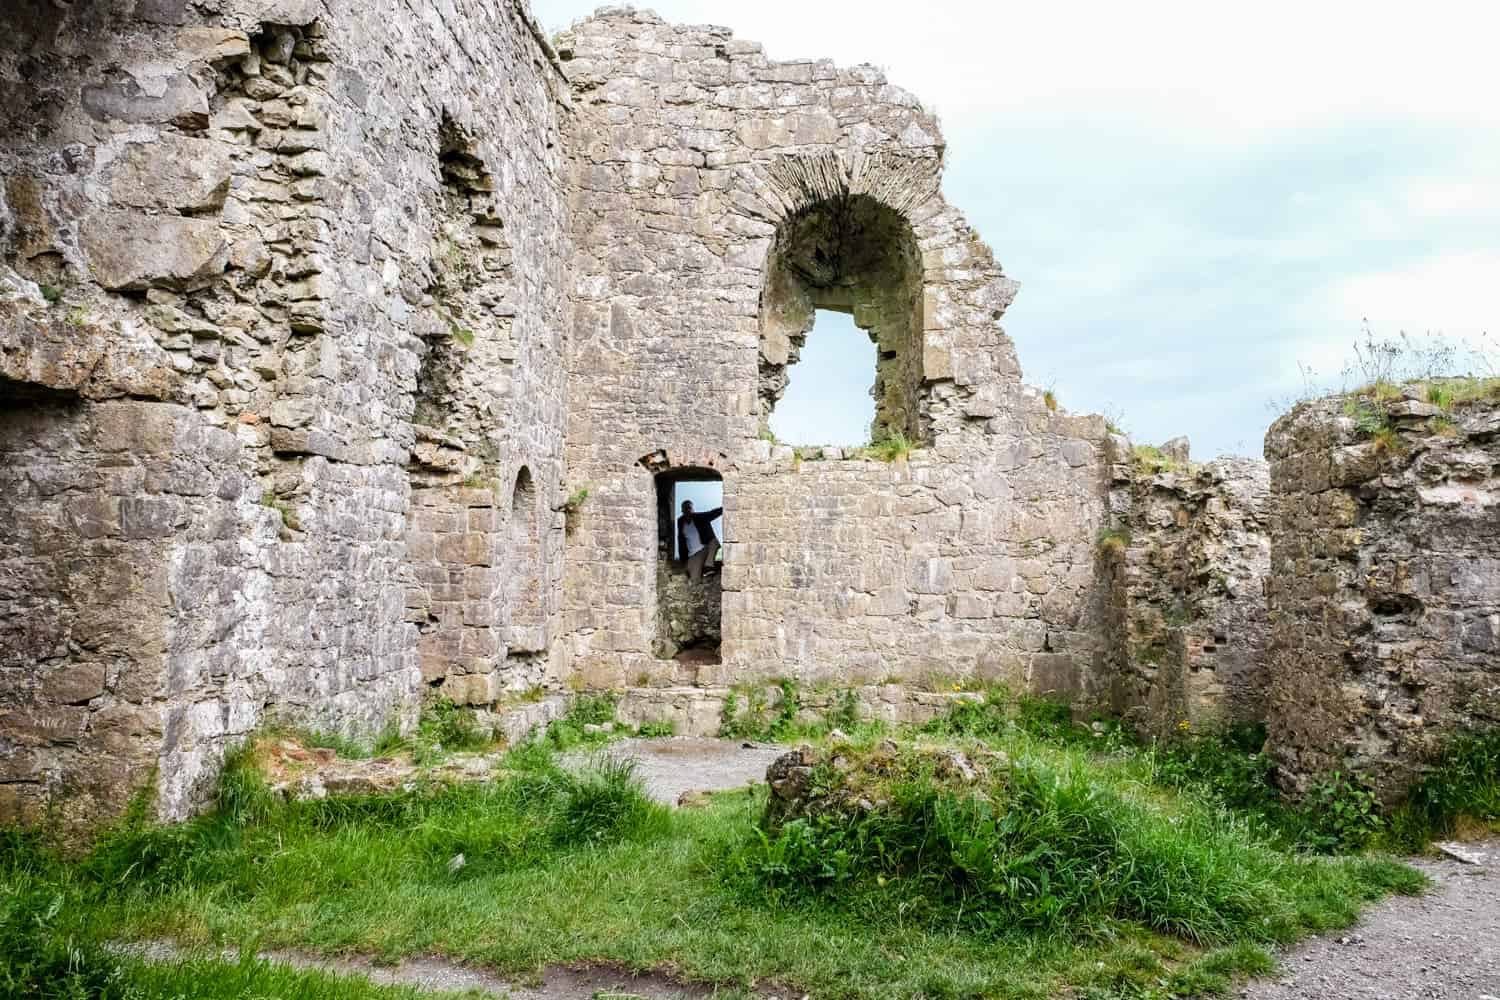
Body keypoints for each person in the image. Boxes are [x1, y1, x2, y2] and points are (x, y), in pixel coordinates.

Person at [676, 499, 722, 581]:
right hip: (692, 556)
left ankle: (708, 566)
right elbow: (681, 542)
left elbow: (712, 513)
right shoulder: (680, 522)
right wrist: (683, 560)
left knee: (714, 542)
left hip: (703, 550)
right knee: (695, 579)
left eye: (689, 508)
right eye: (685, 508)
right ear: (682, 510)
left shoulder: (699, 517)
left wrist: (725, 508)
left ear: (693, 509)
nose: (688, 510)